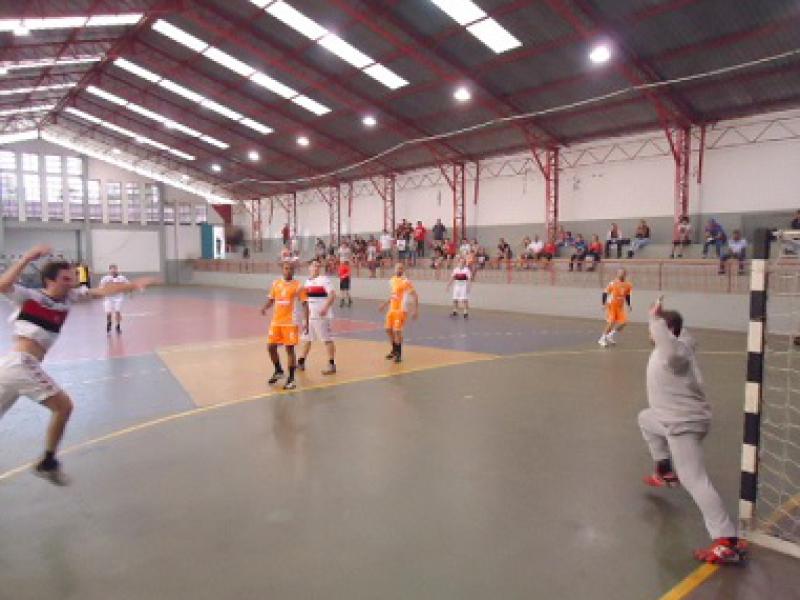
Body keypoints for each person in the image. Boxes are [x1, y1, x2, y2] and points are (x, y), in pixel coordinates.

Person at [0, 245, 158, 484]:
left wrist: (133, 285)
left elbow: (102, 291)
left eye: (73, 278)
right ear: (49, 281)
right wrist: (26, 258)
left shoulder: (70, 298)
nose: (71, 282)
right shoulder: (30, 297)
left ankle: (48, 462)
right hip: (21, 363)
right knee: (64, 407)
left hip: (11, 368)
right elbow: (3, 286)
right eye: (65, 279)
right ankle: (48, 462)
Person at [638, 297, 747, 565]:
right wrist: (664, 319)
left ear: (666, 331)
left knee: (694, 480)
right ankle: (664, 470)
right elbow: (676, 335)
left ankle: (727, 541)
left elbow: (671, 350)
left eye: (654, 330)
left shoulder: (674, 356)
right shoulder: (681, 344)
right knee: (645, 419)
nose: (650, 333)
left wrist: (655, 319)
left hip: (683, 423)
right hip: (672, 418)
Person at [261, 261, 309, 391]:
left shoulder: (298, 286)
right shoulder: (276, 284)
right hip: (276, 321)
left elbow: (305, 304)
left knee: (289, 349)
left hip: (290, 322)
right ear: (282, 270)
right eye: (286, 268)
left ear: (294, 271)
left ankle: (291, 379)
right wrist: (264, 308)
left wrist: (306, 322)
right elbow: (271, 299)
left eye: (291, 269)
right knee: (270, 347)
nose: (288, 271)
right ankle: (278, 370)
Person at [297, 260, 337, 376]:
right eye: (314, 266)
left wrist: (325, 308)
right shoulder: (307, 282)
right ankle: (301, 362)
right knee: (307, 339)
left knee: (326, 339)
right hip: (310, 316)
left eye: (318, 266)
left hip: (321, 316)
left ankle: (331, 364)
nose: (316, 268)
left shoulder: (324, 280)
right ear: (309, 267)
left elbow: (332, 295)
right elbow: (305, 300)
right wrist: (305, 319)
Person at [378, 263, 419, 363]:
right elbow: (393, 295)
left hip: (401, 310)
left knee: (397, 331)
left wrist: (415, 310)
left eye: (401, 268)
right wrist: (384, 304)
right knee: (388, 329)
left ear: (403, 270)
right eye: (397, 268)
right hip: (392, 309)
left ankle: (399, 354)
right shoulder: (392, 280)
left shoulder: (406, 282)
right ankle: (394, 350)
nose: (399, 270)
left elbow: (415, 296)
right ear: (394, 269)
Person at [599, 268, 632, 348]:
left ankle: (610, 335)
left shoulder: (628, 285)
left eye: (623, 273)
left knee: (624, 323)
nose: (621, 274)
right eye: (619, 273)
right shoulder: (612, 283)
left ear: (625, 274)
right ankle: (602, 339)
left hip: (620, 307)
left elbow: (627, 295)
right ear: (617, 274)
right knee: (611, 322)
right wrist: (603, 304)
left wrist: (628, 305)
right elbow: (605, 293)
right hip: (612, 305)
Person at [99, 264, 130, 334]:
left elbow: (128, 285)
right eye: (112, 269)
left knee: (117, 312)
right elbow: (101, 287)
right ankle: (109, 323)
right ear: (109, 270)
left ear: (117, 270)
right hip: (108, 298)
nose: (113, 271)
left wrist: (128, 291)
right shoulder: (105, 278)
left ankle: (118, 326)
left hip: (119, 298)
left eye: (115, 269)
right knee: (108, 313)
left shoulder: (122, 278)